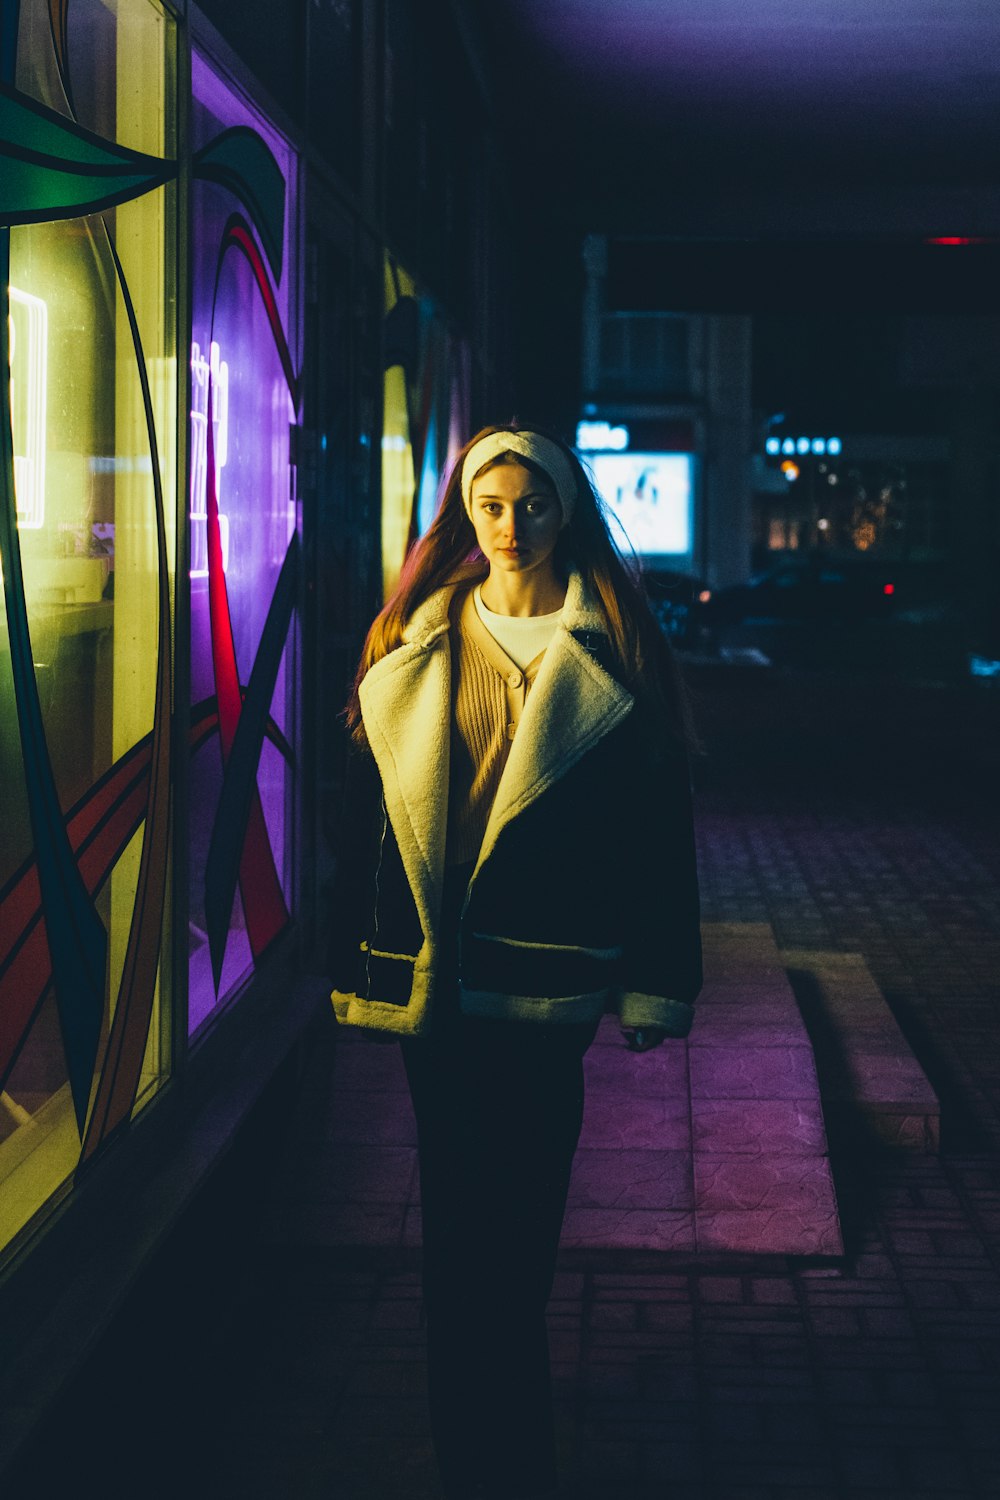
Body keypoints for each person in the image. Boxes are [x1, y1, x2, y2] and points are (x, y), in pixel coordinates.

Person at [328, 423, 703, 1500]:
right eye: (489, 506)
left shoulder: (614, 647)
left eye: (530, 504)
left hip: (547, 985)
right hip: (439, 985)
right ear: (464, 515)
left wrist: (655, 985)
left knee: (521, 1230)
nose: (509, 526)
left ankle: (505, 1441)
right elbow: (367, 824)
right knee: (456, 1232)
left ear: (564, 510)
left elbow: (657, 835)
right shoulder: (412, 638)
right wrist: (364, 957)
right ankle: (482, 1458)